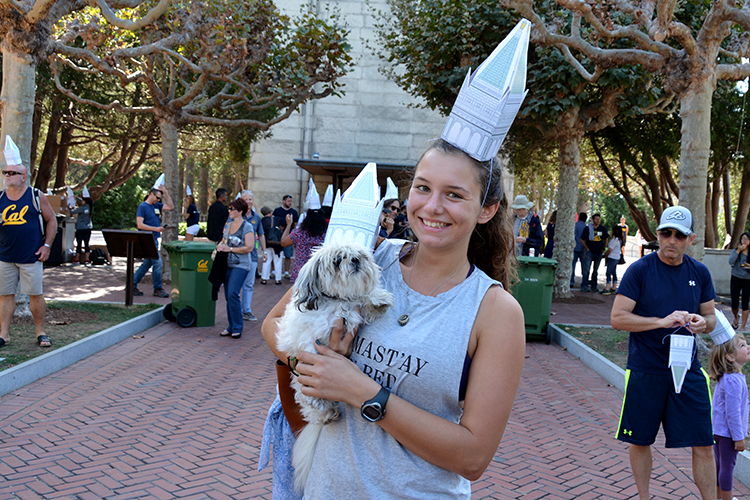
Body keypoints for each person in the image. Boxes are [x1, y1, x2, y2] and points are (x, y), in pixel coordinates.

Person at [261, 138, 525, 498]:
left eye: (454, 195)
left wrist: (361, 390)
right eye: (423, 188)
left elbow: (473, 458)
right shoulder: (365, 256)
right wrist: (314, 364)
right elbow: (272, 326)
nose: (432, 206)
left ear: (487, 209)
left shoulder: (496, 312)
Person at [611, 205, 717, 500]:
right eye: (666, 233)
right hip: (646, 370)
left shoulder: (700, 273)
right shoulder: (640, 271)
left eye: (679, 235)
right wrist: (661, 321)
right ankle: (645, 497)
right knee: (641, 440)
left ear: (691, 239)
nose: (672, 240)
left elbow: (710, 317)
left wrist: (702, 323)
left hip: (689, 370)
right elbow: (617, 318)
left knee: (703, 444)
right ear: (657, 234)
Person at [0, 139, 58, 349]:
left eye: (12, 173)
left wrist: (47, 246)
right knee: (6, 295)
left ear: (24, 177)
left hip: (31, 256)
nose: (7, 175)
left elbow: (52, 220)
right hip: (5, 256)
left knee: (35, 294)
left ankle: (40, 332)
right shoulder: (0, 198)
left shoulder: (36, 196)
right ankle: (4, 335)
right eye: (5, 172)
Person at [708, 332, 750, 500]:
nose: (748, 347)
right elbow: (732, 414)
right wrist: (739, 438)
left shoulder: (729, 378)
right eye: (742, 346)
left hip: (719, 431)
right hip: (728, 434)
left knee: (720, 466)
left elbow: (728, 404)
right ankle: (727, 498)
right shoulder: (734, 380)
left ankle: (719, 497)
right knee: (727, 467)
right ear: (730, 356)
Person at [216, 198, 255, 338]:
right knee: (228, 295)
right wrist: (220, 246)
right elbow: (223, 241)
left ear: (240, 211)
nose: (229, 211)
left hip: (242, 265)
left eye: (232, 209)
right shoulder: (228, 225)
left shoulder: (247, 227)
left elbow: (249, 247)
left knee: (233, 292)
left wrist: (230, 249)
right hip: (228, 264)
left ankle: (238, 326)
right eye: (229, 208)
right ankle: (231, 326)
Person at [133, 185, 173, 298]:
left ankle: (132, 284)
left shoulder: (156, 205)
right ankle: (157, 288)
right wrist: (155, 228)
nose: (158, 200)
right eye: (157, 197)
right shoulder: (142, 207)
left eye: (160, 198)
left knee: (147, 263)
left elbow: (170, 207)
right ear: (151, 194)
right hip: (146, 238)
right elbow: (140, 224)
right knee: (158, 263)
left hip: (154, 239)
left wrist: (166, 192)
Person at [279, 208, 327, 283]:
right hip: (319, 272)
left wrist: (288, 225)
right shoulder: (326, 234)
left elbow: (283, 242)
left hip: (301, 272)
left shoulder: (299, 233)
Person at [240, 190, 267, 321]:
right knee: (236, 284)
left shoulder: (256, 217)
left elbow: (261, 234)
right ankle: (236, 311)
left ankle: (246, 310)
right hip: (238, 256)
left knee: (249, 284)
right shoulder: (236, 215)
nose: (248, 202)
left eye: (250, 199)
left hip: (253, 256)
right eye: (246, 199)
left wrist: (265, 251)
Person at [580, 213, 608, 292]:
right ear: (593, 220)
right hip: (589, 252)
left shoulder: (602, 229)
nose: (598, 221)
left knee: (595, 270)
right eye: (596, 219)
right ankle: (584, 285)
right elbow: (582, 239)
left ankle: (594, 286)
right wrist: (586, 248)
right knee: (586, 269)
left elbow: (606, 239)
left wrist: (603, 248)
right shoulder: (588, 229)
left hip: (598, 252)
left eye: (599, 219)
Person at [273, 195, 299, 279]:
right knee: (276, 254)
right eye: (288, 201)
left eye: (291, 201)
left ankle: (287, 272)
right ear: (283, 201)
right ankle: (274, 271)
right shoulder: (277, 211)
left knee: (288, 255)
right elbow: (273, 222)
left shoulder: (294, 212)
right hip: (277, 236)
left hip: (289, 237)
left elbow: (296, 224)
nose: (290, 203)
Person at [728, 232, 750, 330]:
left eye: (747, 239)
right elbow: (730, 261)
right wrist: (738, 251)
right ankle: (736, 317)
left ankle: (743, 327)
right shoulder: (735, 251)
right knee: (734, 303)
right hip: (736, 278)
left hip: (747, 280)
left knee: (745, 304)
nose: (744, 241)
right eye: (743, 239)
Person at [261, 206, 283, 285]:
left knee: (266, 261)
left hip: (266, 243)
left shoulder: (262, 221)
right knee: (278, 261)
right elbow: (285, 223)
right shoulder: (277, 219)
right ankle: (278, 279)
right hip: (277, 243)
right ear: (270, 212)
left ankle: (264, 278)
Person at [601, 224, 624, 295]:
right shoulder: (620, 240)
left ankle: (607, 288)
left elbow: (610, 250)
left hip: (612, 258)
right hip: (617, 258)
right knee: (614, 272)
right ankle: (614, 287)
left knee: (608, 272)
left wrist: (605, 255)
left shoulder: (614, 240)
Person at [71, 196, 93, 265]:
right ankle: (87, 259)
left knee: (79, 244)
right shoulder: (89, 208)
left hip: (80, 228)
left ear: (85, 201)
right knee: (87, 244)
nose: (81, 202)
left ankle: (77, 259)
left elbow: (72, 211)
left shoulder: (81, 209)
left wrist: (71, 207)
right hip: (88, 228)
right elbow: (84, 201)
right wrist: (77, 198)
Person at [571, 212, 588, 289]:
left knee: (572, 266)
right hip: (583, 248)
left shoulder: (575, 225)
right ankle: (584, 283)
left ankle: (571, 281)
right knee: (584, 267)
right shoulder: (586, 227)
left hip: (574, 248)